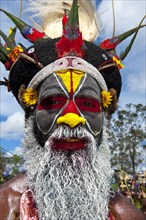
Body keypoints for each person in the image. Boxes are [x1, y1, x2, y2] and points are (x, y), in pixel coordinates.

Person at [0, 1, 145, 219]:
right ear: (31, 115)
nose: (71, 118)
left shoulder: (125, 215)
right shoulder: (6, 206)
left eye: (87, 104)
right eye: (53, 102)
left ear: (104, 118)